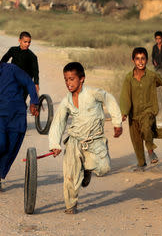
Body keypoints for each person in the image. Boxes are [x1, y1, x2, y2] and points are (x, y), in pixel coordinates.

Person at [49, 62, 123, 214]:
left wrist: (117, 122)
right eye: (66, 79)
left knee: (104, 168)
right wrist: (55, 144)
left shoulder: (92, 93)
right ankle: (70, 205)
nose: (68, 83)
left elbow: (108, 99)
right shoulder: (66, 101)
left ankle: (88, 169)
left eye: (71, 79)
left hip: (94, 139)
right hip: (74, 141)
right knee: (70, 176)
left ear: (81, 79)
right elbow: (58, 122)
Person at [0, 44, 39, 193]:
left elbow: (29, 82)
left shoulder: (11, 70)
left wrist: (34, 102)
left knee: (11, 149)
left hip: (17, 115)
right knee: (1, 143)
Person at [120, 47, 162, 171]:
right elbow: (125, 95)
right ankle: (141, 164)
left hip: (149, 111)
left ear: (147, 60)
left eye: (143, 59)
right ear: (133, 60)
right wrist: (124, 112)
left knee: (146, 128)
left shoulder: (152, 76)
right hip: (133, 114)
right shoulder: (129, 78)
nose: (140, 62)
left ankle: (150, 151)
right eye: (137, 59)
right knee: (136, 141)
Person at [1, 31, 40, 98]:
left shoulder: (32, 56)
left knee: (21, 101)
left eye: (29, 42)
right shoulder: (13, 50)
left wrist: (36, 83)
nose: (27, 44)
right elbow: (3, 60)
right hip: (13, 78)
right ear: (19, 40)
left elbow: (35, 71)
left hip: (25, 81)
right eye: (25, 42)